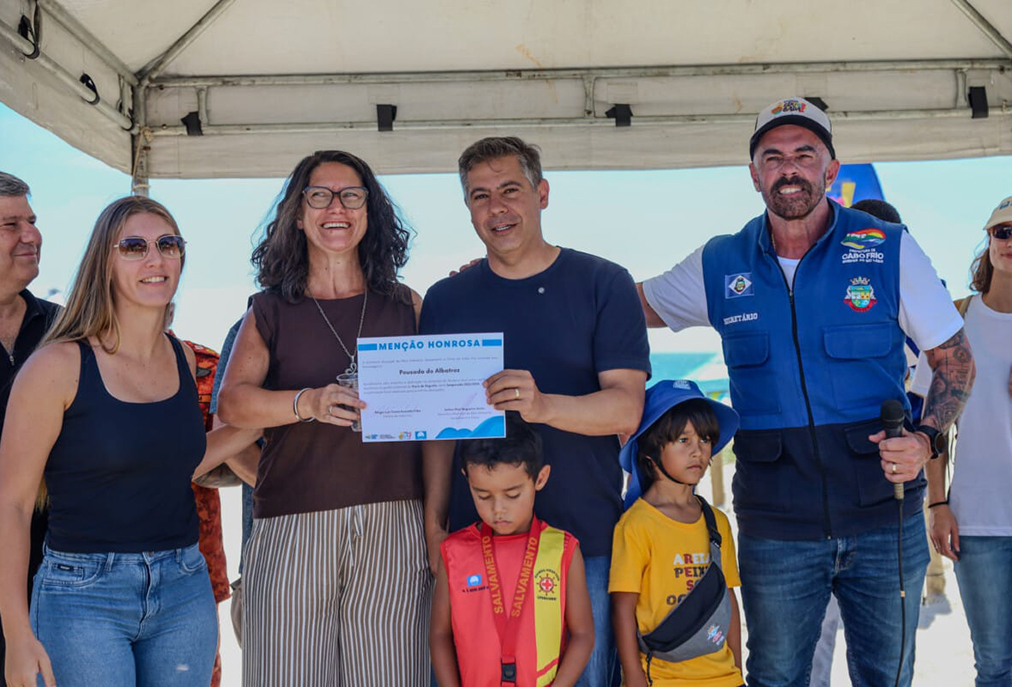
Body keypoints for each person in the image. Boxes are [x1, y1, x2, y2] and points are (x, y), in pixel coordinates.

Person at [638, 97, 976, 685]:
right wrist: (522, 272)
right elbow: (627, 304)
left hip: (884, 520)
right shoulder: (720, 262)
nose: (788, 168)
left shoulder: (887, 246)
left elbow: (956, 360)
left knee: (887, 677)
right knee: (777, 678)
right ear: (754, 175)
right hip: (776, 525)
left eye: (804, 154)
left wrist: (923, 439)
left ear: (831, 169)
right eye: (773, 157)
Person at [0, 196, 259, 687]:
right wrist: (16, 633)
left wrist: (292, 407)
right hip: (82, 596)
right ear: (105, 262)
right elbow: (11, 504)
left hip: (184, 585)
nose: (154, 259)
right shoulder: (55, 366)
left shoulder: (182, 358)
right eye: (134, 246)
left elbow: (175, 460)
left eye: (167, 244)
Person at [420, 136, 650, 685]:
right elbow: (434, 431)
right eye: (480, 196)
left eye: (510, 190)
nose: (497, 208)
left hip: (584, 539)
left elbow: (626, 408)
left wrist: (544, 405)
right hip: (474, 546)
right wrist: (434, 522)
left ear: (541, 194)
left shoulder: (603, 283)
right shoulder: (446, 299)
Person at [216, 150, 430, 686]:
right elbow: (232, 403)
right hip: (291, 522)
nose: (337, 207)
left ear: (370, 211)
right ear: (298, 213)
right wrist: (305, 403)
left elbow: (448, 402)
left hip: (397, 522)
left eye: (351, 195)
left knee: (393, 676)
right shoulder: (268, 309)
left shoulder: (407, 305)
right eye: (320, 195)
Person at [808, 197, 904, 687]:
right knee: (813, 651)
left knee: (884, 660)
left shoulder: (915, 306)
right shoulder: (820, 302)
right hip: (814, 506)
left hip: (889, 505)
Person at [917, 196, 1012, 686]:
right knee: (995, 666)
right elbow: (930, 425)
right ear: (989, 241)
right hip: (978, 522)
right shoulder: (954, 320)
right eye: (1004, 231)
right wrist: (938, 503)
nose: (1011, 242)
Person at [430, 413, 594, 686]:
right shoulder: (454, 552)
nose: (498, 509)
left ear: (540, 479)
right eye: (483, 495)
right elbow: (439, 634)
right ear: (466, 479)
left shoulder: (562, 549)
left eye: (512, 494)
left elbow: (583, 634)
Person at [610, 380, 743, 687]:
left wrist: (736, 667)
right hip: (663, 679)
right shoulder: (636, 525)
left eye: (705, 439)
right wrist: (633, 675)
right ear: (651, 451)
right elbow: (622, 608)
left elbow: (729, 600)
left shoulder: (717, 522)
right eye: (683, 440)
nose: (698, 450)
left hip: (723, 679)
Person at [0, 172, 59, 687]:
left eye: (32, 222)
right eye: (10, 224)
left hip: (64, 579)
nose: (31, 235)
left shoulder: (70, 331)